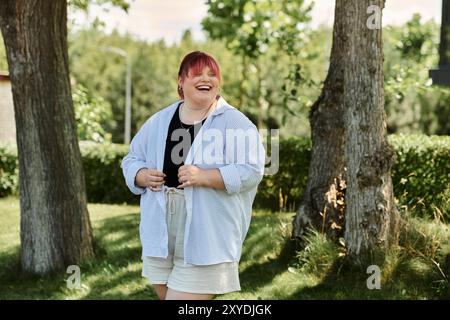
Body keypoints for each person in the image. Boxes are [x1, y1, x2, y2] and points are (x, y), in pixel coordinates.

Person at [121, 51, 265, 300]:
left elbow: (252, 170)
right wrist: (141, 175)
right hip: (161, 228)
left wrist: (204, 177)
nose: (206, 79)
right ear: (181, 81)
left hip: (205, 229)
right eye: (198, 73)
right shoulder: (160, 120)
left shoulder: (234, 122)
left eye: (212, 74)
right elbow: (131, 158)